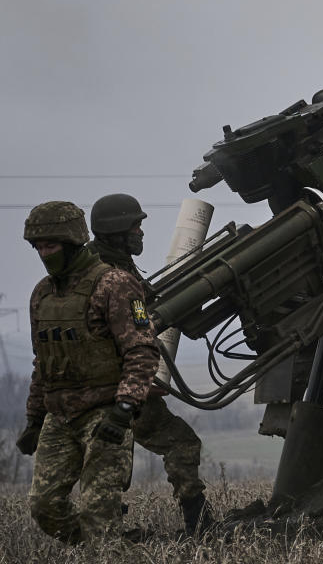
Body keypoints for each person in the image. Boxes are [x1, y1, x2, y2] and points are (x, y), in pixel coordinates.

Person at [16, 201, 160, 543]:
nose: (43, 253)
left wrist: (124, 409)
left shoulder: (116, 285)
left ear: (70, 242)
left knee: (99, 510)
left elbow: (142, 350)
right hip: (59, 416)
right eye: (38, 247)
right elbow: (44, 362)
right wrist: (34, 420)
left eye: (50, 245)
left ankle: (104, 546)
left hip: (104, 414)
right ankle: (107, 545)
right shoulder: (42, 294)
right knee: (44, 506)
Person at [87, 193, 211, 534]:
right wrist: (138, 381)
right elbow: (129, 329)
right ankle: (195, 525)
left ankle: (193, 526)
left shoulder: (107, 267)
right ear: (116, 230)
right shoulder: (109, 276)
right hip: (115, 388)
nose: (141, 232)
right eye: (135, 225)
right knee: (122, 457)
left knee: (114, 460)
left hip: (116, 384)